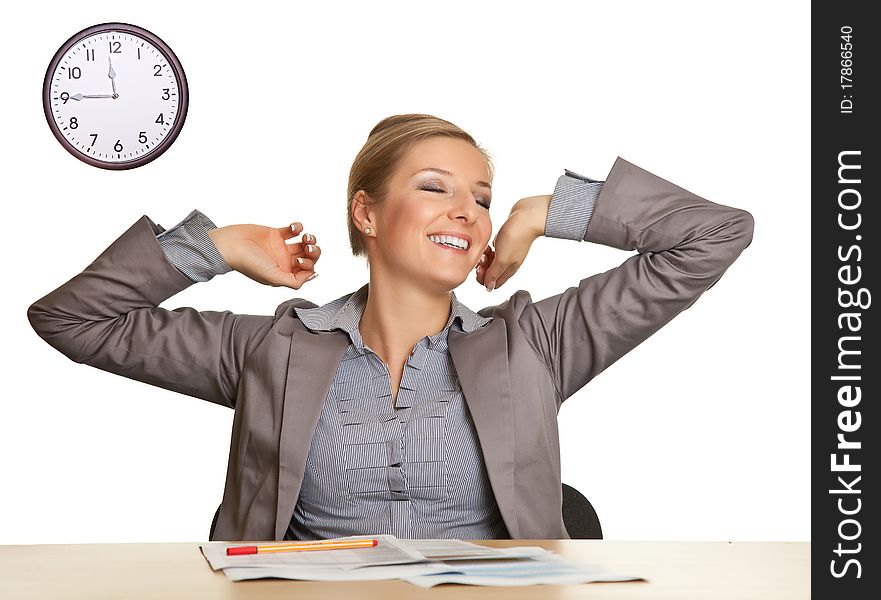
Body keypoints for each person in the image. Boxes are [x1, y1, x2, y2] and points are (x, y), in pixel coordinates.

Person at [28, 113, 754, 541]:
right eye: (434, 188)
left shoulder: (532, 344)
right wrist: (218, 249)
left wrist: (544, 211)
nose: (466, 212)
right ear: (366, 213)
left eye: (480, 198)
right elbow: (70, 318)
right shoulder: (269, 349)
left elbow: (715, 234)